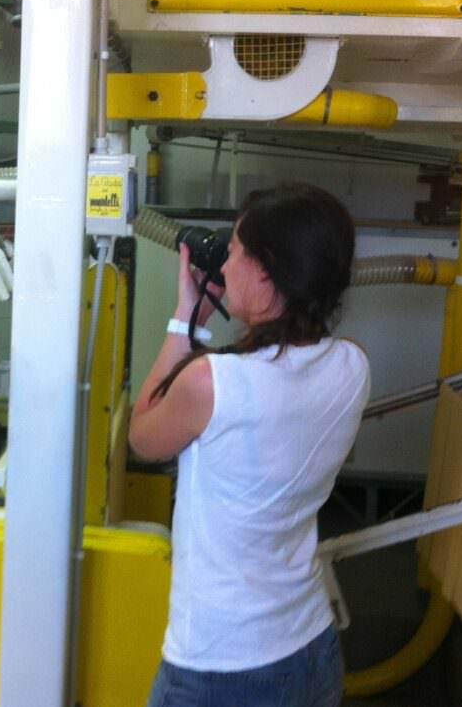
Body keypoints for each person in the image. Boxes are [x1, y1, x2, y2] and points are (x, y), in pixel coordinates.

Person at [129, 182, 370, 707]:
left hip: (223, 667)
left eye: (235, 251)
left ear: (265, 273)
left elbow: (143, 436)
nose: (225, 263)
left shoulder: (214, 384)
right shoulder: (352, 365)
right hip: (312, 647)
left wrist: (185, 316)